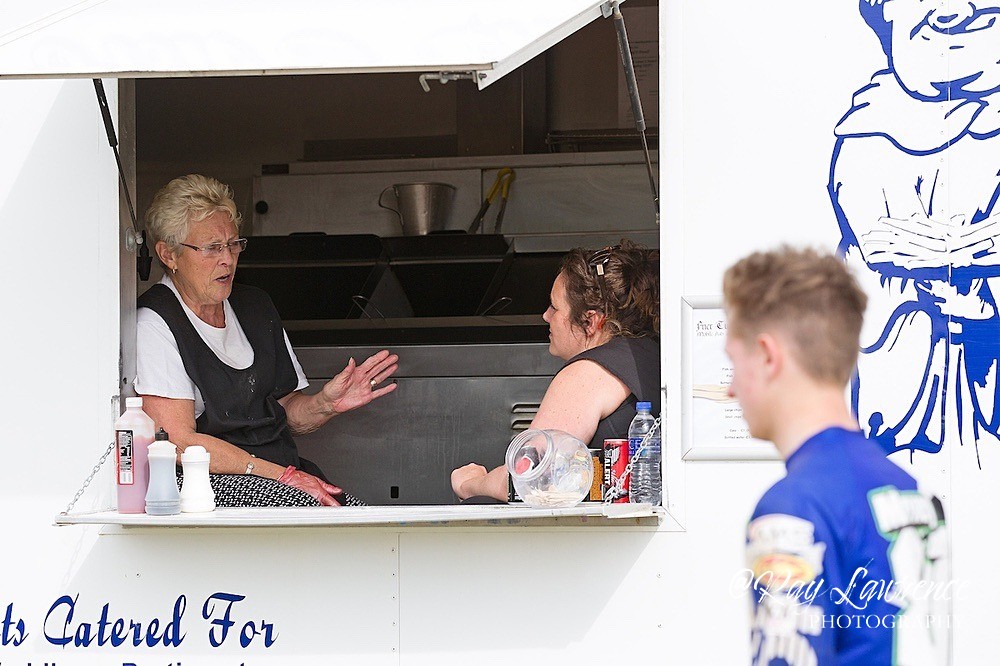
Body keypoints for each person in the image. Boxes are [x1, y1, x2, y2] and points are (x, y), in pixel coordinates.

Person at [723, 247, 950, 666]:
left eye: (733, 363)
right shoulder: (912, 491)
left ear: (768, 356)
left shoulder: (789, 511)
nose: (731, 389)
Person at [134, 174, 398, 507]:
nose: (228, 259)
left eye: (233, 244)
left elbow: (286, 412)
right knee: (314, 516)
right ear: (169, 255)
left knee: (357, 520)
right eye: (212, 248)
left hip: (279, 470)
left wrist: (325, 404)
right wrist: (277, 475)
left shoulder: (255, 307)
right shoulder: (156, 322)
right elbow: (178, 440)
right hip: (213, 482)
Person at [831, 0, 1000, 458]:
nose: (962, 36)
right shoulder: (869, 134)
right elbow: (884, 244)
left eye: (983, 21)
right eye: (941, 23)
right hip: (905, 362)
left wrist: (948, 253)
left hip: (983, 349)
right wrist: (972, 248)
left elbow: (911, 247)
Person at [451, 240, 659, 502]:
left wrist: (471, 483)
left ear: (591, 320)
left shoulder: (587, 374)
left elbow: (530, 479)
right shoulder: (653, 355)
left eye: (554, 307)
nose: (545, 316)